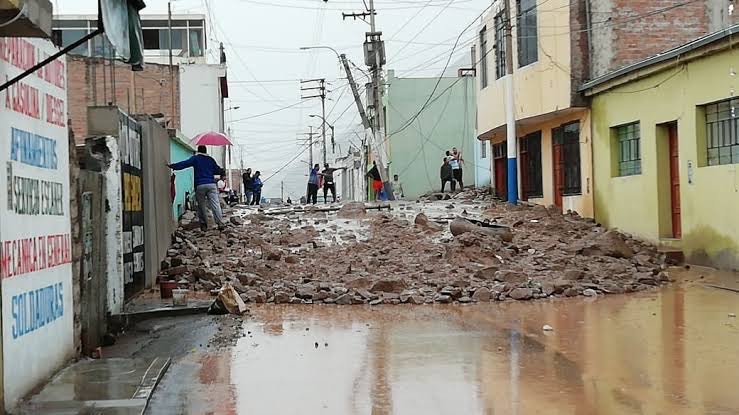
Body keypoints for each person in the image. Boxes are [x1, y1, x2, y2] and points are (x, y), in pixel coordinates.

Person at [168, 145, 226, 231]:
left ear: (198, 151)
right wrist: (221, 171)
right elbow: (217, 170)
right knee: (215, 204)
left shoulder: (195, 158)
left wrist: (173, 166)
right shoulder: (210, 159)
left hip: (200, 185)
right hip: (211, 184)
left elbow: (184, 164)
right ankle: (220, 223)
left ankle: (204, 225)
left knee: (201, 205)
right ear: (205, 151)